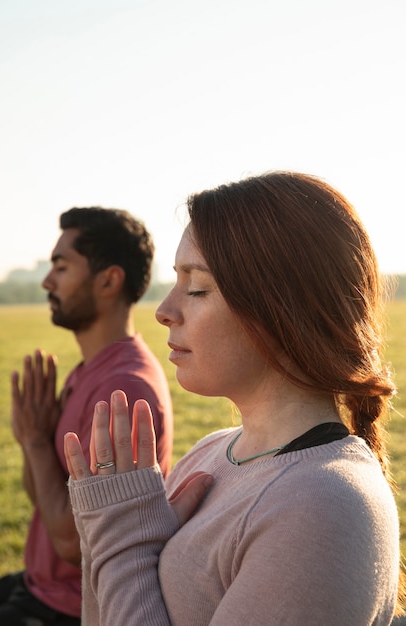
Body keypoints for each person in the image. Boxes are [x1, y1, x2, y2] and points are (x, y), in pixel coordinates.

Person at [64, 173, 404, 625]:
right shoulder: (214, 451)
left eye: (198, 287)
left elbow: (124, 563)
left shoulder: (322, 506)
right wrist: (112, 536)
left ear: (282, 308)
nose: (165, 310)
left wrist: (120, 538)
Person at [0, 207, 173, 625]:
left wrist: (36, 441)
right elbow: (44, 499)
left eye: (61, 266)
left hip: (76, 608)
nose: (46, 281)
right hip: (40, 587)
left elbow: (75, 542)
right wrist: (30, 440)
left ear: (108, 280)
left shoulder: (122, 387)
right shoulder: (91, 371)